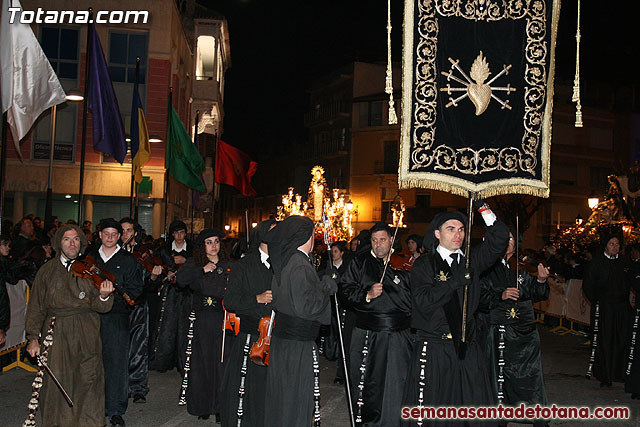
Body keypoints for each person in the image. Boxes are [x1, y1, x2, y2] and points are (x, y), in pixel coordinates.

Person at [402, 201, 509, 426]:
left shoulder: (471, 261)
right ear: (437, 233)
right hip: (434, 348)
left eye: (461, 229)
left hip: (466, 347)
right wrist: (454, 283)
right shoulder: (425, 263)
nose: (457, 234)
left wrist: (483, 208)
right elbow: (422, 301)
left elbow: (499, 238)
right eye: (451, 229)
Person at [25, 224, 115, 426]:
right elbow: (36, 307)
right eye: (67, 239)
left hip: (86, 331)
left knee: (89, 379)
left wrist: (103, 297)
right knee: (57, 384)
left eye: (76, 239)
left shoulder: (92, 270)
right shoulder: (46, 271)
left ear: (81, 243)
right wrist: (33, 338)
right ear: (59, 243)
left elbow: (102, 307)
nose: (72, 244)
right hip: (56, 332)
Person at [264, 216, 337, 426]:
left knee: (284, 396)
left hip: (285, 343)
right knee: (295, 396)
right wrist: (327, 286)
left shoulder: (287, 259)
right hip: (296, 345)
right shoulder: (299, 264)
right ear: (307, 237)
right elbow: (306, 307)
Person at [339, 222, 412, 426]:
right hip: (368, 333)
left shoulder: (404, 263)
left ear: (391, 240)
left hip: (399, 334)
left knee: (399, 382)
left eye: (382, 240)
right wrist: (367, 294)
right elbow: (344, 291)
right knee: (370, 383)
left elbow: (416, 297)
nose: (378, 245)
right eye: (374, 240)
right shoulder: (359, 261)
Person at [479, 231, 550, 421]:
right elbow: (478, 297)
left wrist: (541, 280)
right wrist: (499, 295)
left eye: (510, 239)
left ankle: (535, 414)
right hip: (498, 329)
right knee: (500, 374)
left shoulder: (520, 267)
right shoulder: (485, 267)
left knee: (529, 374)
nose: (506, 242)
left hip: (524, 331)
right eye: (502, 238)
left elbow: (535, 292)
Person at [87, 218, 143, 426]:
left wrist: (117, 294)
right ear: (99, 235)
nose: (110, 237)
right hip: (90, 316)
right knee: (90, 362)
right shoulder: (89, 258)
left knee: (116, 363)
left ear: (119, 236)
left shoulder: (128, 260)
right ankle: (91, 405)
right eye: (106, 233)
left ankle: (115, 409)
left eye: (114, 234)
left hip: (116, 316)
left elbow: (136, 289)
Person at [221, 219, 276, 427]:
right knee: (246, 390)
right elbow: (230, 301)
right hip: (252, 337)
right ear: (261, 235)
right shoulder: (244, 265)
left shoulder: (283, 263)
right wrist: (257, 298)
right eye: (273, 232)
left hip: (277, 338)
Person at [176, 228, 230, 421]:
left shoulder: (228, 264)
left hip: (222, 319)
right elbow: (180, 280)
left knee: (221, 364)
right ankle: (203, 405)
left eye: (216, 241)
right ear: (202, 246)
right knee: (202, 363)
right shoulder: (195, 263)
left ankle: (220, 406)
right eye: (209, 242)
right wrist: (201, 270)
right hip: (201, 319)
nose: (214, 245)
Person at [583, 235, 637, 388]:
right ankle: (604, 375)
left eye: (617, 244)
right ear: (605, 246)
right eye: (612, 244)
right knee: (605, 340)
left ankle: (619, 373)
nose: (615, 247)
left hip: (621, 307)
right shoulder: (597, 263)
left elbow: (632, 281)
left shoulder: (625, 262)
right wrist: (597, 301)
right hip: (604, 307)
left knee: (621, 339)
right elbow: (588, 285)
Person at [120, 217, 161, 404]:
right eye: (122, 231)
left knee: (138, 348)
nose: (125, 234)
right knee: (118, 347)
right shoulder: (115, 253)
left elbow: (151, 286)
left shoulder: (143, 254)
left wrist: (153, 277)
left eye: (129, 231)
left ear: (135, 233)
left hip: (138, 305)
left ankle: (138, 387)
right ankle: (119, 386)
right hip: (118, 306)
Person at [148, 219, 193, 373]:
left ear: (185, 234)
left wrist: (186, 261)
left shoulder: (193, 249)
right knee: (167, 327)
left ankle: (184, 363)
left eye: (182, 232)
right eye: (176, 232)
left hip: (188, 293)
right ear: (172, 234)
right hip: (170, 293)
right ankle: (163, 361)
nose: (179, 236)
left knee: (185, 328)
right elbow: (155, 268)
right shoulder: (163, 250)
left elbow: (200, 267)